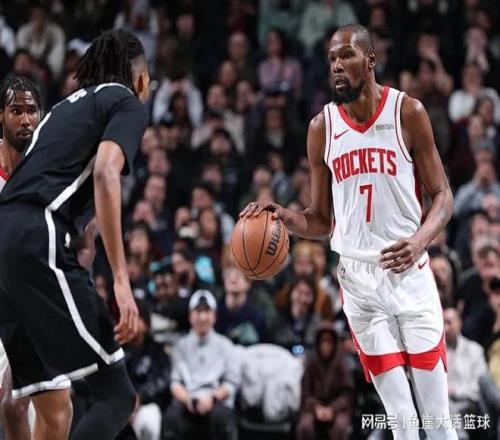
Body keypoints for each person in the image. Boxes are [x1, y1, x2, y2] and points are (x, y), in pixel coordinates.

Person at [242, 24, 457, 439]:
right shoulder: (321, 128)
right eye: (332, 59)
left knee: (436, 419)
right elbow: (321, 218)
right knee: (402, 420)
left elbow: (443, 196)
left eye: (346, 56)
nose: (337, 66)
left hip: (409, 272)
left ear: (370, 60)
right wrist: (285, 217)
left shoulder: (407, 113)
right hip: (359, 281)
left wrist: (419, 241)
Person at [0, 29, 150, 440]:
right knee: (117, 397)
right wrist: (121, 281)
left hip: (7, 240)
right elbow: (105, 174)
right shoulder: (127, 102)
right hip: (38, 235)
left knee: (51, 408)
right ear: (140, 78)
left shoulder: (60, 109)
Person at [0, 75, 42, 440]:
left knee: (15, 404)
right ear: (1, 115)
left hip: (28, 302)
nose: (25, 119)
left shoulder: (50, 167)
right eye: (16, 110)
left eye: (31, 110)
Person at [163, 289, 240, 440]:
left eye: (207, 311)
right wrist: (188, 400)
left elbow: (231, 383)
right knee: (171, 419)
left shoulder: (226, 346)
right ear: (190, 316)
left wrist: (212, 399)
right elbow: (175, 383)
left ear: (214, 316)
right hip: (188, 401)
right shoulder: (180, 346)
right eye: (198, 311)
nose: (202, 317)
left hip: (216, 401)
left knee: (224, 419)